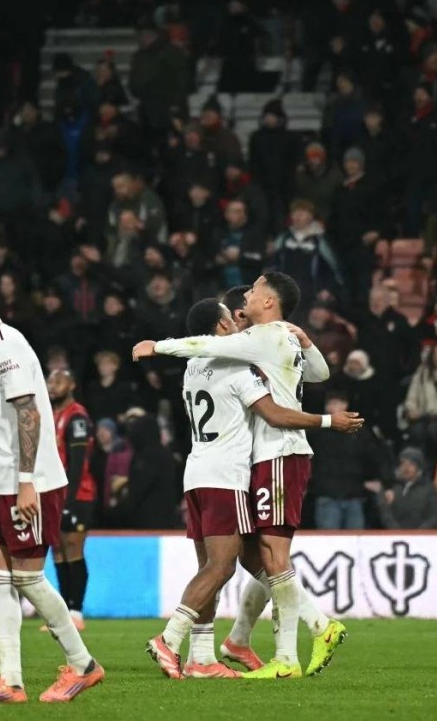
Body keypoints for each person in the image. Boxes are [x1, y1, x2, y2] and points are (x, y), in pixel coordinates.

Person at [132, 273, 346, 679]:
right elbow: (276, 412)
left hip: (197, 472)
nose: (239, 319)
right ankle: (176, 640)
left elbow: (311, 371)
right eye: (232, 317)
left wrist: (300, 342)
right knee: (229, 566)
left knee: (248, 561)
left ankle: (205, 656)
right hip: (233, 473)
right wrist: (327, 420)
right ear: (223, 325)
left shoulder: (194, 368)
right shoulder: (238, 366)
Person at [0, 271, 104, 704]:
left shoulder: (6, 346)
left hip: (31, 483)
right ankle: (10, 682)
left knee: (27, 579)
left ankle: (83, 665)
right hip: (1, 480)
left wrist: (26, 482)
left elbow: (28, 414)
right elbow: (7, 423)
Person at [46, 368, 95, 632]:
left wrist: (70, 502)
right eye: (50, 380)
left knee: (73, 548)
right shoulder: (52, 415)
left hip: (77, 494)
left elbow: (78, 464)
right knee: (58, 551)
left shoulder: (76, 417)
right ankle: (64, 612)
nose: (52, 385)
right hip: (55, 493)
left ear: (72, 384)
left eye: (59, 381)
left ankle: (76, 612)